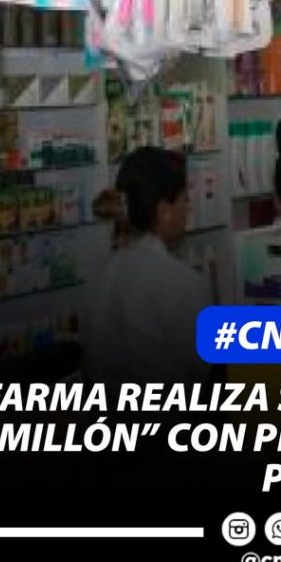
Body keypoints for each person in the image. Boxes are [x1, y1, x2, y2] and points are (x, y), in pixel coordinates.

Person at [85, 147, 213, 395]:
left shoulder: (100, 273)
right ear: (164, 211)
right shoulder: (180, 282)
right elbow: (204, 371)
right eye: (184, 199)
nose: (188, 208)